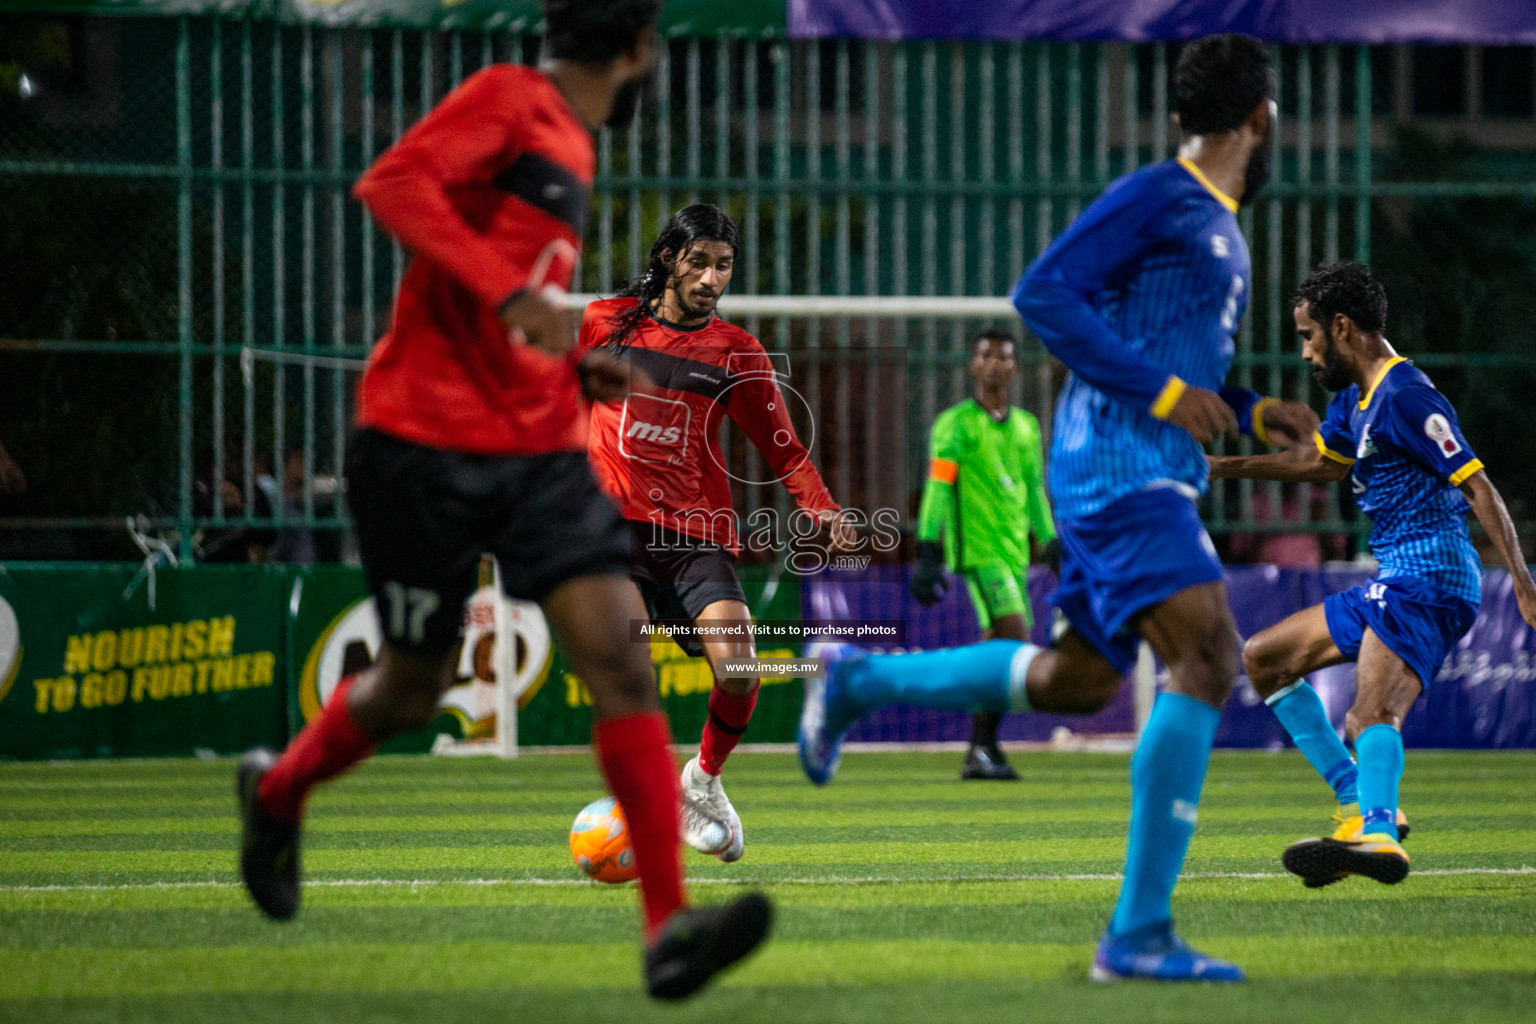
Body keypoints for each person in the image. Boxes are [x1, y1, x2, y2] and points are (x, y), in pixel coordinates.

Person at [234, 2, 772, 1001]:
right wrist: (511, 295)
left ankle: (668, 929)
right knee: (410, 685)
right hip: (419, 442)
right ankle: (274, 793)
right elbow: (392, 184)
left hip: (532, 446)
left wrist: (577, 360)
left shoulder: (573, 139)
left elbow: (526, 304)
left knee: (618, 656)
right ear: (639, 50)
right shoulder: (515, 103)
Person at [799, 35, 1318, 982]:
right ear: (1259, 119)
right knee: (1207, 653)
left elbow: (1177, 362)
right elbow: (1042, 293)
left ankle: (858, 683)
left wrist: (1251, 409)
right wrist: (1166, 397)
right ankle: (1139, 934)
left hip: (1145, 463)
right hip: (1118, 462)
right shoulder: (1165, 194)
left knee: (1078, 680)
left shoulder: (1217, 224)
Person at [1210, 260, 1536, 887]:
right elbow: (1321, 466)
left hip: (1430, 575)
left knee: (1369, 716)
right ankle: (1361, 807)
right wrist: (1224, 468)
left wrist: (1522, 583)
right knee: (1264, 659)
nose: (1305, 351)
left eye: (1309, 336)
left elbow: (1479, 485)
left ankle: (1379, 834)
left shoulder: (1407, 396)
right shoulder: (1351, 400)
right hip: (1397, 575)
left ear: (1342, 327)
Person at [579, 203, 848, 863]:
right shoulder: (602, 323)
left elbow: (782, 447)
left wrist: (820, 506)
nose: (709, 277)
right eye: (698, 261)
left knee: (739, 671)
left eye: (722, 265)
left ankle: (703, 779)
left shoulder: (737, 352)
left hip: (695, 535)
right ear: (669, 257)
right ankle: (646, 799)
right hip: (612, 529)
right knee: (629, 666)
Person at [909, 329, 1059, 780]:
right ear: (973, 366)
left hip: (1015, 554)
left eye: (1003, 357)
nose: (994, 363)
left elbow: (1033, 489)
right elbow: (939, 486)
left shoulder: (1027, 427)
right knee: (1015, 639)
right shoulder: (955, 425)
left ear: (1014, 368)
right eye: (985, 355)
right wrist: (928, 549)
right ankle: (981, 745)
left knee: (998, 647)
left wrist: (1050, 542)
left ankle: (982, 749)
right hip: (979, 552)